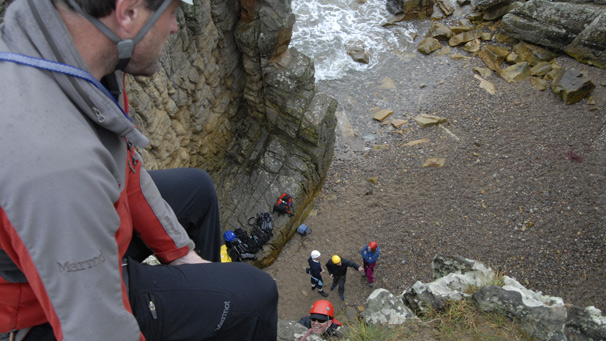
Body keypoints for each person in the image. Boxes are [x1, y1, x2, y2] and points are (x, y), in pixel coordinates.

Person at [0, 0, 278, 340]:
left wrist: (182, 255)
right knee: (256, 295)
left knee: (197, 188)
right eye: (172, 11)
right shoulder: (54, 161)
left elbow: (124, 167)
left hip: (77, 245)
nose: (176, 26)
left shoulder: (85, 64)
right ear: (128, 12)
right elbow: (95, 328)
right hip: (39, 314)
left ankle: (206, 302)